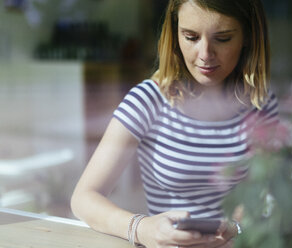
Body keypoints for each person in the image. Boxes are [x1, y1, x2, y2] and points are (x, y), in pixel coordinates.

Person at [71, 0, 278, 247]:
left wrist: (245, 222)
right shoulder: (148, 99)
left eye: (222, 39)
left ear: (248, 37)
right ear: (175, 33)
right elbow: (84, 198)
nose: (205, 55)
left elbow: (273, 195)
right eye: (191, 37)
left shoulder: (261, 103)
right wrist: (142, 228)